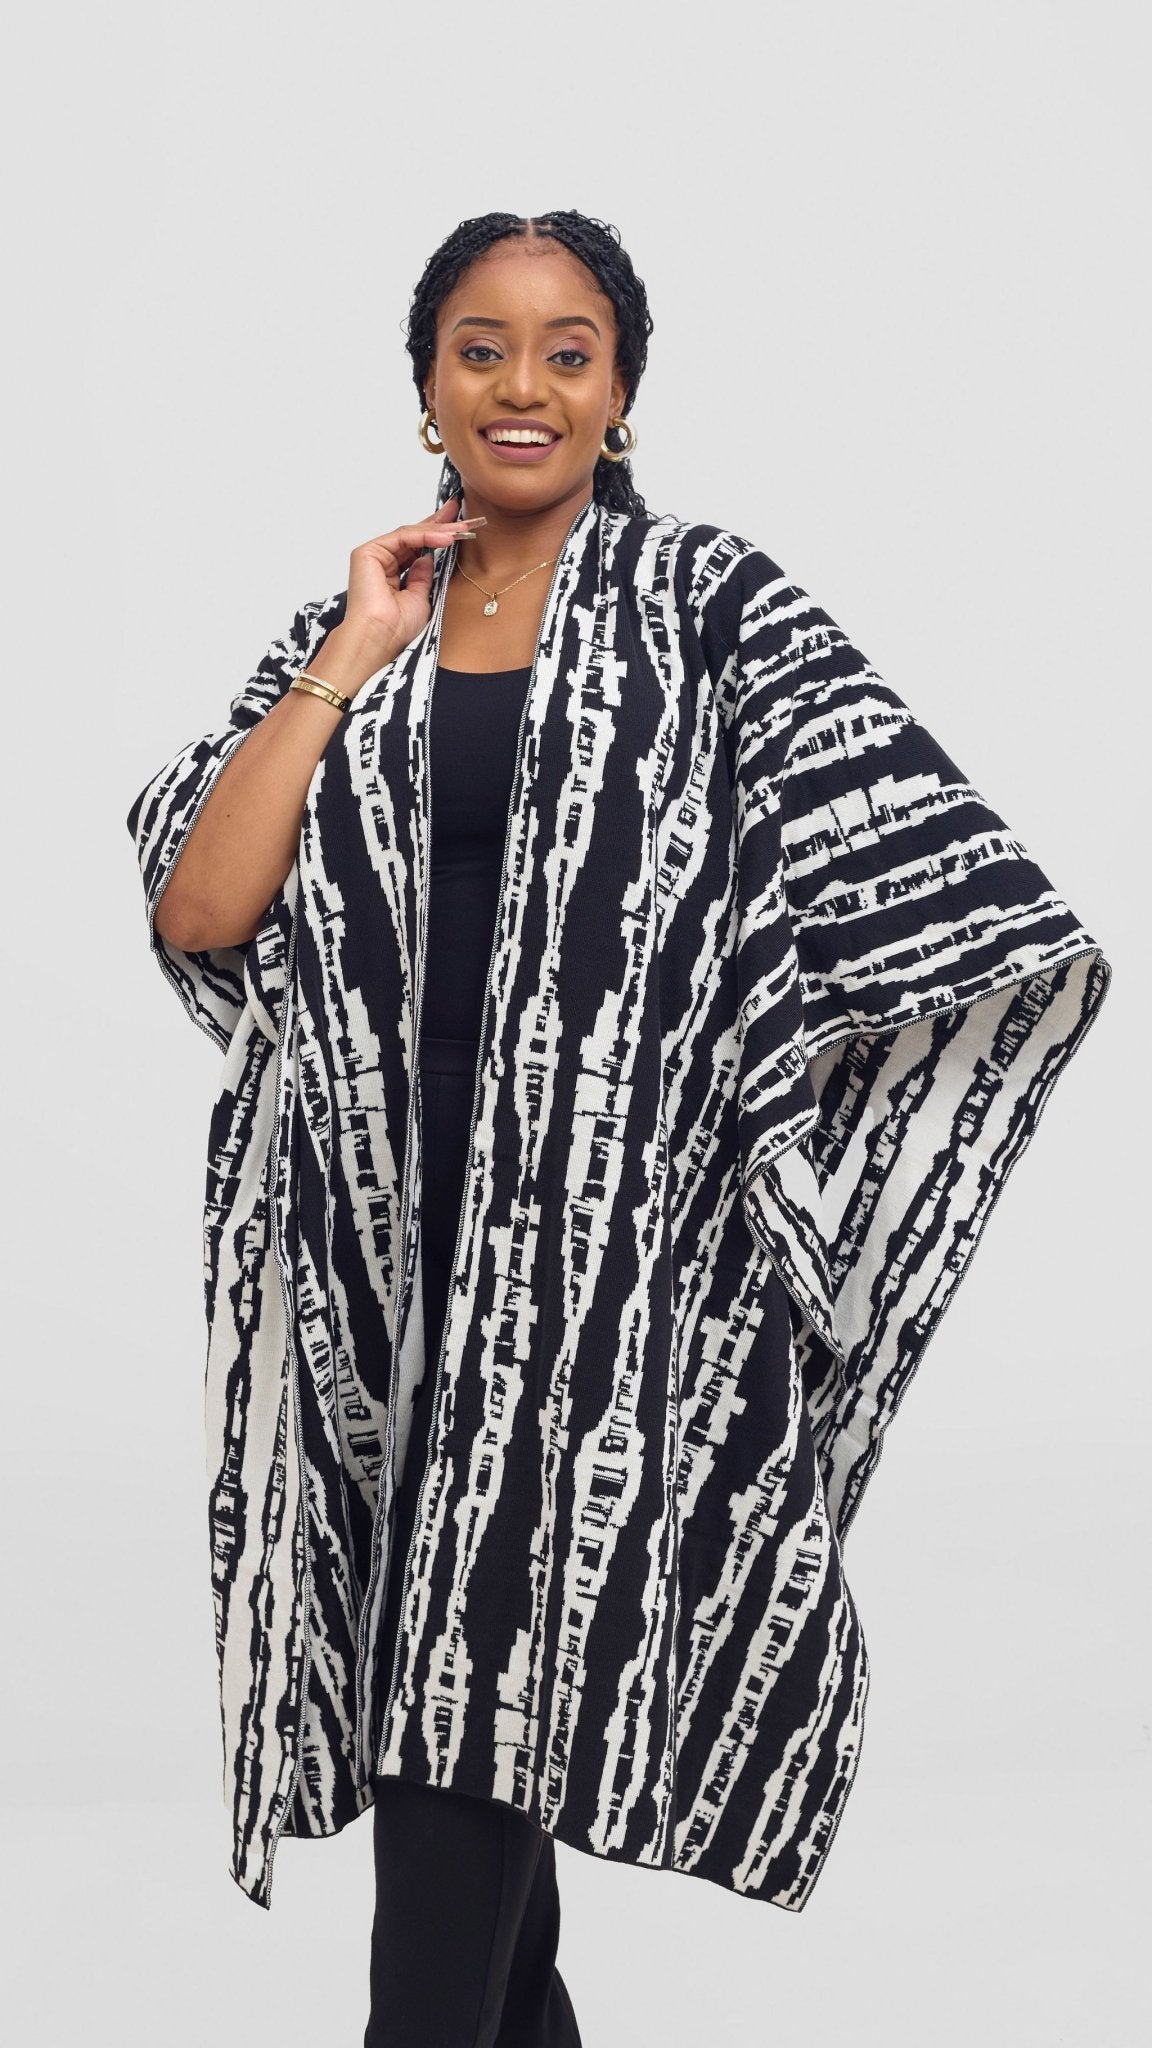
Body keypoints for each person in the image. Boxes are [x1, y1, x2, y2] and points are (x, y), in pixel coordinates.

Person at [128, 211, 1110, 2047]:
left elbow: (943, 890)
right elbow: (204, 910)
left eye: (568, 351)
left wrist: (756, 1130)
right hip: (379, 1267)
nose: (525, 386)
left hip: (600, 1282)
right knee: (463, 1726)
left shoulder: (711, 606)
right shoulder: (365, 625)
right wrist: (352, 645)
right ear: (427, 384)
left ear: (622, 389)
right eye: (482, 348)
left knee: (465, 1709)